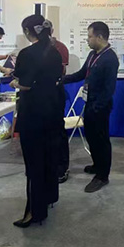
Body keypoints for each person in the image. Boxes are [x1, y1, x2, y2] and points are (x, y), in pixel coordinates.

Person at [10, 15, 64, 228]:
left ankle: (34, 212)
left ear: (27, 31)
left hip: (33, 113)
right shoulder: (55, 51)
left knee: (34, 164)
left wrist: (15, 83)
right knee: (50, 158)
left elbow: (25, 83)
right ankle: (49, 198)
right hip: (53, 110)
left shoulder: (27, 54)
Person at [64, 22, 118, 193]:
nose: (87, 40)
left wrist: (97, 107)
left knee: (101, 140)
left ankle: (103, 176)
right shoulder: (93, 54)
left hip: (100, 106)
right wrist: (62, 79)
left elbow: (109, 89)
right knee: (92, 138)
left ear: (100, 37)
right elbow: (82, 74)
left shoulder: (110, 58)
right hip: (90, 103)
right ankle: (97, 165)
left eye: (90, 36)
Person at [50, 33, 72, 184]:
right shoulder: (33, 50)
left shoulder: (60, 48)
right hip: (40, 98)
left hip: (55, 94)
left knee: (58, 131)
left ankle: (61, 169)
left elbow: (62, 72)